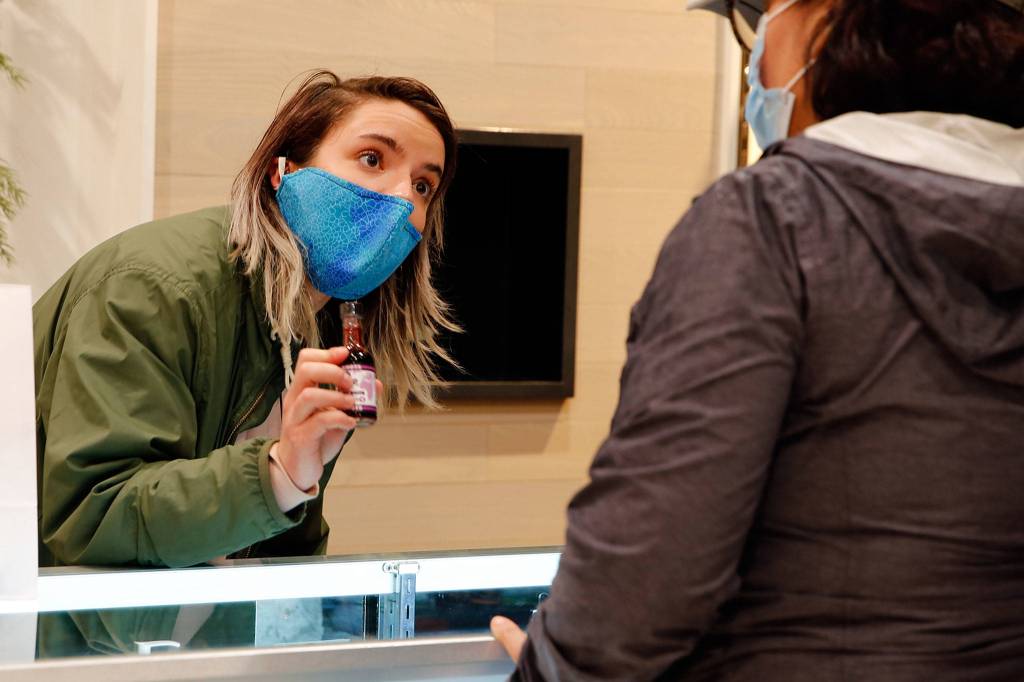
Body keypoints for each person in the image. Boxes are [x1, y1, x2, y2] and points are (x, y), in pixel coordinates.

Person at [491, 0, 1024, 678]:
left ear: (826, 16)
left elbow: (647, 574)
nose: (754, 54)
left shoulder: (773, 219)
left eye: (762, 16)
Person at [33, 71, 459, 567]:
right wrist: (277, 473)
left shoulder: (329, 329)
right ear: (284, 171)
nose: (404, 198)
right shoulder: (152, 287)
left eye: (424, 185)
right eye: (372, 159)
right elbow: (92, 517)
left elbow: (282, 531)